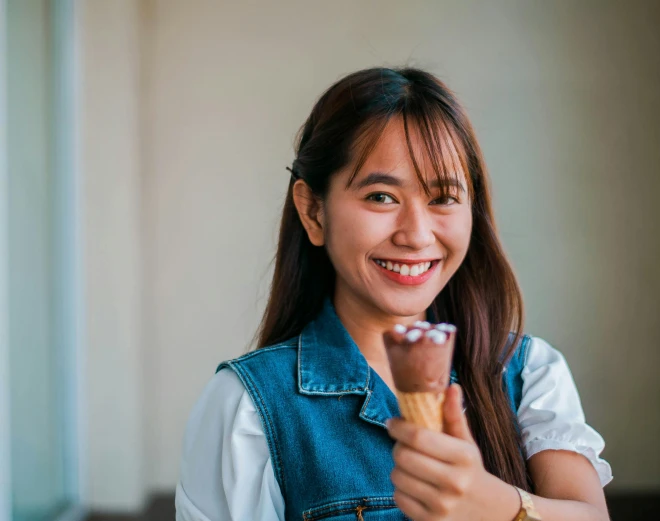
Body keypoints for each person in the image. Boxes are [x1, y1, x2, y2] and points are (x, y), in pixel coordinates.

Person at [175, 67, 613, 521]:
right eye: (382, 197)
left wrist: (496, 506)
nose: (417, 235)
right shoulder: (246, 408)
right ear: (313, 212)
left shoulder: (529, 374)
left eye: (443, 198)